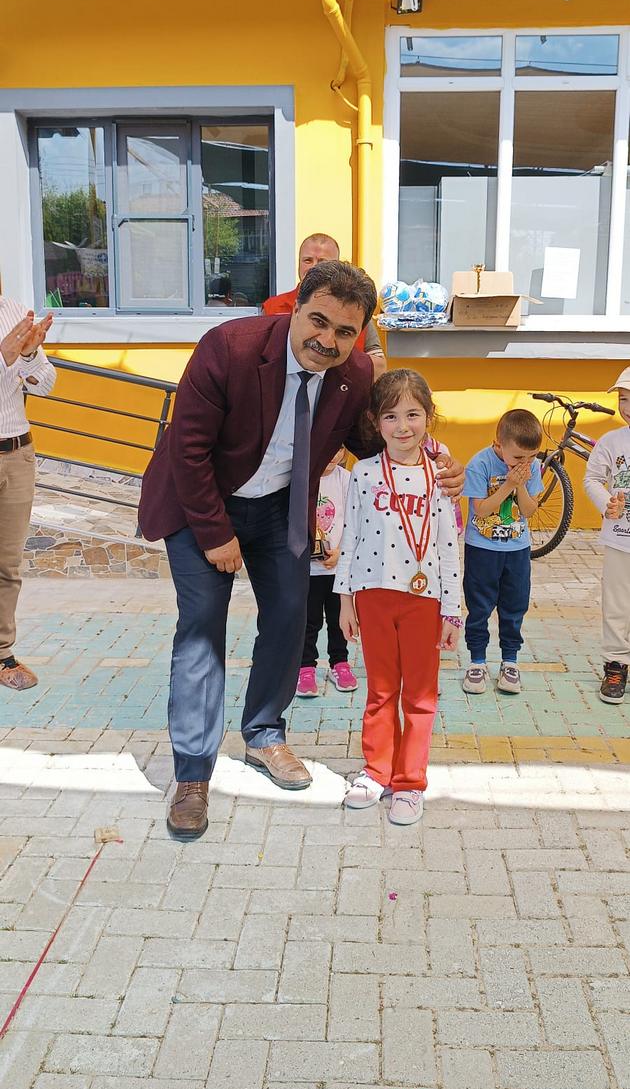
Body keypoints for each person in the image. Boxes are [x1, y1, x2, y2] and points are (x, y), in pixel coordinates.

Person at [138, 261, 465, 839]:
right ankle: (192, 773)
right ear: (295, 307)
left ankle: (264, 733)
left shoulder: (353, 373)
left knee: (291, 616)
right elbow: (187, 450)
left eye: (345, 331)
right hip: (200, 502)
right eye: (318, 321)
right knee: (202, 627)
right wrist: (215, 534)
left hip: (279, 508)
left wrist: (437, 458)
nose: (328, 341)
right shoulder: (229, 348)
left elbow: (376, 439)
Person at [335, 369, 462, 826]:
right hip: (372, 596)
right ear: (375, 421)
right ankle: (376, 772)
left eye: (413, 414)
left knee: (421, 696)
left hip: (424, 601)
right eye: (390, 416)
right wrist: (345, 600)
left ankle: (410, 782)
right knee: (381, 690)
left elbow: (448, 546)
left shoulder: (441, 478)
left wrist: (453, 611)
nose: (402, 426)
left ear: (429, 417)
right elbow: (349, 537)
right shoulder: (364, 472)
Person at [462, 409, 543, 697]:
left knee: (514, 605)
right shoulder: (480, 464)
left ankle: (510, 661)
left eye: (532, 456)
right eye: (519, 457)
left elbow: (529, 510)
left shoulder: (532, 467)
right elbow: (481, 510)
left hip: (517, 549)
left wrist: (520, 485)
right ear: (498, 444)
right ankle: (477, 661)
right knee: (479, 606)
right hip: (482, 549)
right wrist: (509, 484)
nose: (525, 463)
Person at [0, 299, 55, 690]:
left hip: (18, 453)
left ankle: (3, 654)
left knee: (8, 566)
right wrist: (3, 358)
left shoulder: (14, 311)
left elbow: (47, 384)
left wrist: (31, 354)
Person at [262, 232, 386, 378]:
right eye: (307, 260)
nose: (313, 267)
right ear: (297, 309)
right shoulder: (273, 306)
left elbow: (379, 366)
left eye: (322, 262)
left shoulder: (356, 312)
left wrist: (334, 367)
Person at [584, 366, 630, 705]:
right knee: (616, 603)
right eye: (623, 399)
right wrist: (606, 503)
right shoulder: (612, 441)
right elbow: (592, 479)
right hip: (620, 538)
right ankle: (616, 663)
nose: (627, 407)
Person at [296, 446, 357, 698]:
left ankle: (339, 663)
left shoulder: (347, 479)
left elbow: (355, 521)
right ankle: (305, 667)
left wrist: (341, 552)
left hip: (337, 570)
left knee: (338, 619)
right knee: (308, 621)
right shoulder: (301, 476)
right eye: (328, 446)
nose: (333, 454)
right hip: (307, 570)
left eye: (339, 448)